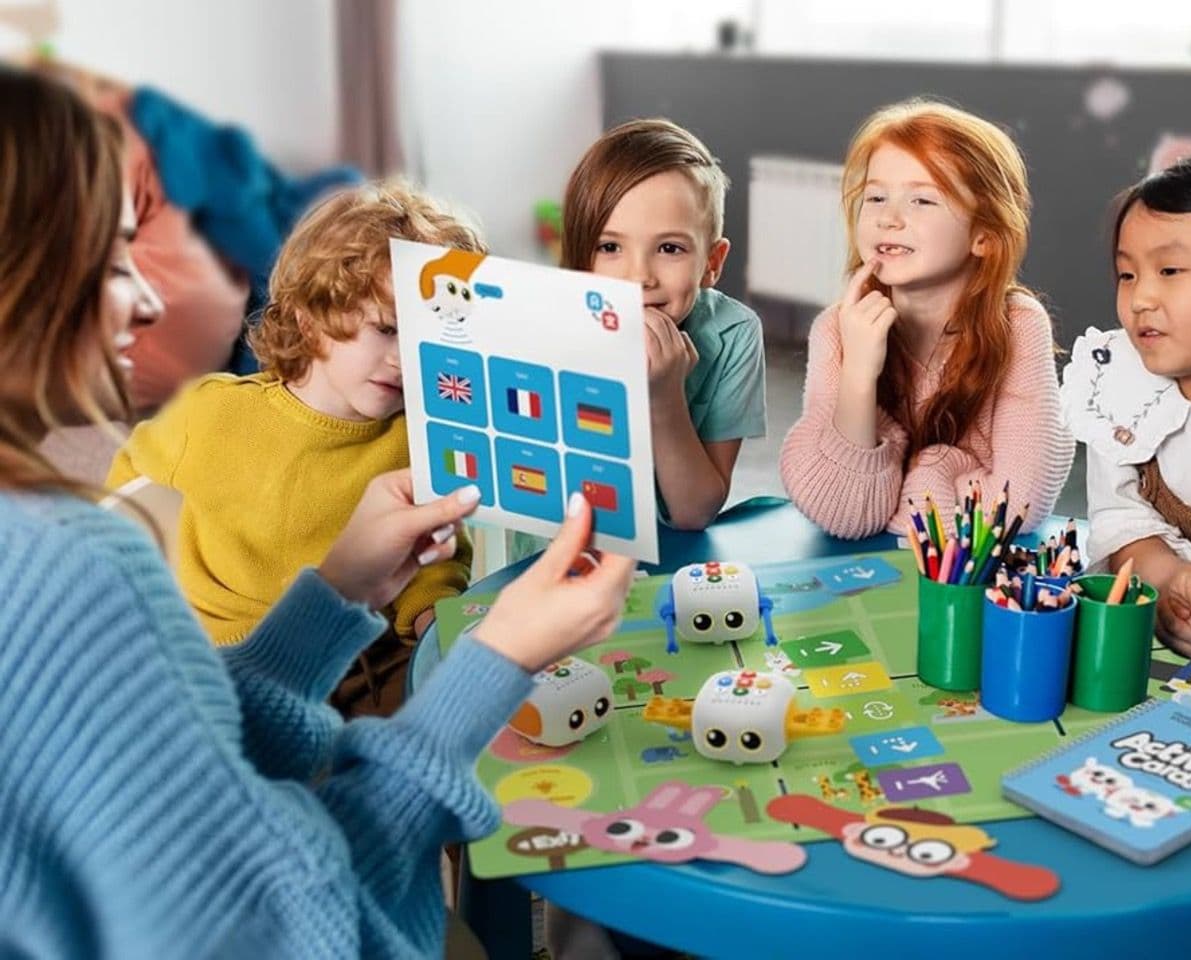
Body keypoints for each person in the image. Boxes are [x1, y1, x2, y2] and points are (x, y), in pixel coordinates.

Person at [0, 67, 636, 958]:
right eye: (113, 262)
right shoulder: (82, 565)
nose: (147, 300)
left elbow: (184, 765)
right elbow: (298, 922)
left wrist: (337, 590)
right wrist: (497, 660)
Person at [107, 181, 480, 716]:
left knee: (471, 722)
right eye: (385, 329)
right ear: (309, 317)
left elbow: (434, 556)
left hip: (370, 658)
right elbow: (122, 501)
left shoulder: (418, 437)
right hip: (232, 661)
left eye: (427, 342)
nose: (405, 359)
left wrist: (434, 619)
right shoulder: (211, 413)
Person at [779, 100, 1072, 539]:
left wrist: (930, 471)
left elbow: (1020, 506)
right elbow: (839, 512)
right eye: (876, 197)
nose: (888, 218)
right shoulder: (837, 330)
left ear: (984, 235)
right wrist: (858, 373)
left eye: (922, 200)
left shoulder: (1018, 325)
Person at [561, 118, 767, 530]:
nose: (639, 276)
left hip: (668, 551)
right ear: (581, 258)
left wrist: (664, 397)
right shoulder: (553, 322)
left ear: (712, 264)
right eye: (610, 246)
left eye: (670, 248)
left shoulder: (735, 333)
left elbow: (695, 512)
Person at [1063, 157, 1191, 657]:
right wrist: (1170, 584)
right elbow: (1121, 519)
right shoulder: (1118, 388)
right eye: (1127, 274)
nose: (1140, 297)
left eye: (1169, 270)